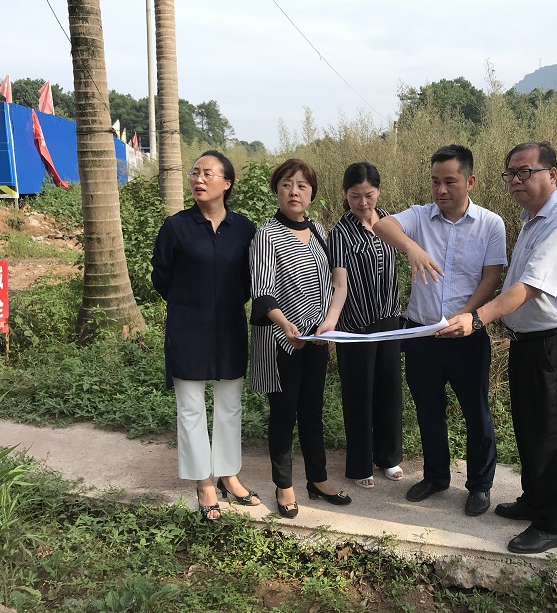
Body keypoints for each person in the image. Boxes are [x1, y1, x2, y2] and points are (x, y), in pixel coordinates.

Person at [438, 141, 557, 554]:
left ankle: (553, 525)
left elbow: (528, 288)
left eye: (526, 172)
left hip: (555, 345)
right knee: (531, 429)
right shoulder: (532, 219)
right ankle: (534, 500)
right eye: (511, 173)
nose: (517, 180)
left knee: (553, 437)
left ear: (552, 175)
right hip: (529, 343)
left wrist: (478, 317)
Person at [373, 144, 507, 517]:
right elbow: (382, 225)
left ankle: (479, 485)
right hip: (422, 335)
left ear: (470, 181)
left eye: (450, 181)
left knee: (476, 412)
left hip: (467, 334)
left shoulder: (490, 224)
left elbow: (491, 278)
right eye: (435, 181)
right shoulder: (420, 216)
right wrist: (412, 249)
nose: (441, 189)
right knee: (429, 410)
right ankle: (436, 477)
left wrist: (465, 317)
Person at [151, 150, 260, 522]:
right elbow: (161, 276)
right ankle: (204, 483)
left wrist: (224, 303)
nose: (198, 179)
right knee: (191, 408)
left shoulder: (244, 229)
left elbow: (251, 278)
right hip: (187, 327)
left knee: (230, 405)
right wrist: (191, 303)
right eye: (194, 173)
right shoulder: (176, 227)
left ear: (226, 183)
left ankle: (229, 475)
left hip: (229, 326)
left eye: (208, 173)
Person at [249, 158, 351, 518]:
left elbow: (333, 283)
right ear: (277, 191)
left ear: (312, 194)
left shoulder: (319, 230)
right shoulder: (266, 234)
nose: (294, 191)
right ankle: (284, 485)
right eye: (287, 184)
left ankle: (317, 479)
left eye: (302, 186)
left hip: (316, 339)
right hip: (283, 341)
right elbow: (261, 290)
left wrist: (327, 324)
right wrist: (285, 325)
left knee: (312, 412)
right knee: (283, 414)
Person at [328, 162, 404, 489]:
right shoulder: (340, 233)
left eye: (368, 195)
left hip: (390, 319)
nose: (362, 202)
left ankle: (389, 457)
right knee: (359, 394)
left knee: (390, 390)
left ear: (378, 192)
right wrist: (331, 322)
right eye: (355, 195)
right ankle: (360, 464)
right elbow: (340, 283)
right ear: (346, 194)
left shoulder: (390, 222)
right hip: (355, 325)